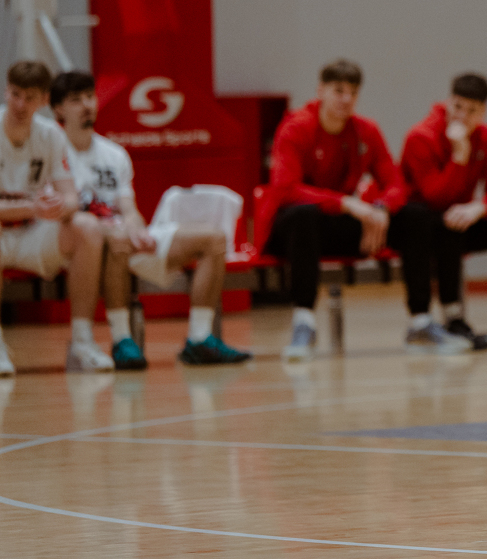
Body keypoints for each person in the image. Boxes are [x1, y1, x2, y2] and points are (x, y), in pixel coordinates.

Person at [51, 71, 251, 368]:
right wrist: (117, 231)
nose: (87, 105)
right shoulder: (53, 153)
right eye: (76, 100)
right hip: (81, 245)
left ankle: (199, 338)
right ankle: (122, 338)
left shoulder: (114, 154)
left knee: (213, 238)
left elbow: (128, 208)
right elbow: (61, 214)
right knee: (116, 238)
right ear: (58, 109)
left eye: (90, 97)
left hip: (122, 236)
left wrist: (137, 229)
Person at [261, 60, 450, 360]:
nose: (346, 99)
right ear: (320, 91)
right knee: (304, 215)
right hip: (291, 229)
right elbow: (285, 189)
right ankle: (304, 322)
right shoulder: (295, 128)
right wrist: (347, 203)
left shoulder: (366, 130)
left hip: (340, 224)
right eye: (338, 91)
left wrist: (381, 208)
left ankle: (421, 321)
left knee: (415, 216)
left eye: (353, 92)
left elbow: (395, 184)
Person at [392, 73, 487, 349]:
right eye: (457, 107)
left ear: (483, 112)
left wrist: (478, 208)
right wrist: (460, 154)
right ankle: (454, 318)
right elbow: (435, 197)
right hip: (420, 227)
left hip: (458, 216)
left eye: (471, 111)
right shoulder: (420, 136)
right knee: (446, 222)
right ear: (449, 102)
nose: (462, 116)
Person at [0, 61, 108, 375]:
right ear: (6, 91)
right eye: (15, 94)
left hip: (32, 233)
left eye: (30, 97)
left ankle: (82, 341)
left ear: (44, 100)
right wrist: (33, 207)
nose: (21, 104)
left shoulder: (50, 135)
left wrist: (59, 206)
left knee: (87, 227)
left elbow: (72, 198)